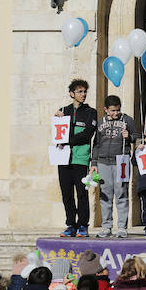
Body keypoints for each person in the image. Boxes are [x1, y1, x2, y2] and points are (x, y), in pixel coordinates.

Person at [90, 95, 139, 238]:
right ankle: (106, 227)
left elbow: (137, 135)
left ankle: (122, 227)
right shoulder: (100, 123)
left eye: (117, 110)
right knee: (105, 195)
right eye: (112, 111)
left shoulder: (127, 120)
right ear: (106, 110)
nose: (116, 113)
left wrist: (129, 137)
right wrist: (93, 163)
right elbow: (96, 144)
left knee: (121, 193)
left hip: (121, 161)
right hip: (103, 162)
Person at [55, 79, 98, 238]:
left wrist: (67, 140)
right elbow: (57, 133)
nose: (83, 94)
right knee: (67, 194)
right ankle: (70, 225)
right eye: (80, 91)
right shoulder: (63, 110)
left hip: (80, 159)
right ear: (72, 93)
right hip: (63, 159)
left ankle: (83, 226)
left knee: (81, 193)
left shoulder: (90, 112)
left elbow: (87, 134)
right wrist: (57, 119)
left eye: (85, 91)